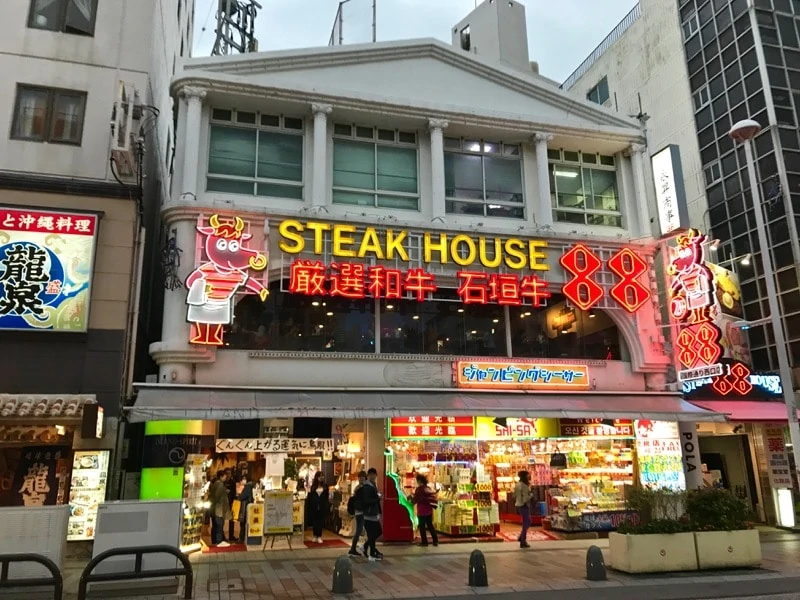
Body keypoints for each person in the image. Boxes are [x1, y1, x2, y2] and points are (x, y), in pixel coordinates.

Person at [362, 467, 384, 561]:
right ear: (368, 476)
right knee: (373, 533)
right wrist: (377, 499)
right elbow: (366, 500)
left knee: (377, 532)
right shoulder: (367, 487)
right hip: (368, 514)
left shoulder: (373, 485)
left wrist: (378, 496)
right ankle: (372, 553)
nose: (372, 477)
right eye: (370, 475)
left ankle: (367, 547)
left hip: (373, 513)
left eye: (374, 475)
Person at [412, 474, 438, 547]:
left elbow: (415, 499)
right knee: (430, 526)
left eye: (417, 481)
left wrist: (411, 499)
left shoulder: (419, 489)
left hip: (421, 511)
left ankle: (424, 542)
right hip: (429, 510)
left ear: (419, 481)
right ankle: (435, 541)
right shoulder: (428, 488)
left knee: (422, 527)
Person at [209, 469, 232, 547]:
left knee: (216, 525)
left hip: (216, 508)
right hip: (219, 509)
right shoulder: (220, 485)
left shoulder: (216, 483)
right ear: (221, 476)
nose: (226, 477)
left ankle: (215, 541)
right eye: (225, 476)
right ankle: (219, 541)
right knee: (219, 525)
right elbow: (217, 496)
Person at [348, 471, 368, 557]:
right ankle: (355, 548)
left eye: (363, 477)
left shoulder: (358, 487)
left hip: (361, 511)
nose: (361, 479)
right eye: (360, 477)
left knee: (360, 531)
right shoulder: (359, 488)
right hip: (360, 512)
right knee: (359, 531)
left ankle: (356, 548)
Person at [306, 472, 329, 543]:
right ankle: (315, 535)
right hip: (314, 506)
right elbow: (311, 496)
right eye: (320, 476)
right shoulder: (313, 486)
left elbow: (326, 497)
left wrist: (326, 505)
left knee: (320, 521)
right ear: (317, 477)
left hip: (322, 506)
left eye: (322, 476)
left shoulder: (325, 486)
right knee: (315, 521)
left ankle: (319, 536)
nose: (321, 477)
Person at [514, 470, 532, 549]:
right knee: (526, 523)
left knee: (527, 522)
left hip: (518, 504)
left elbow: (514, 495)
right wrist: (531, 495)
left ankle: (521, 537)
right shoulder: (524, 486)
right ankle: (523, 540)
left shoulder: (517, 484)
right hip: (524, 505)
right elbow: (525, 499)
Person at [236, 475, 255, 544]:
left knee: (243, 524)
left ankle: (241, 539)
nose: (242, 480)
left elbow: (242, 497)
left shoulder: (247, 486)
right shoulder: (253, 485)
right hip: (250, 507)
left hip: (245, 506)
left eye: (244, 479)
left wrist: (239, 495)